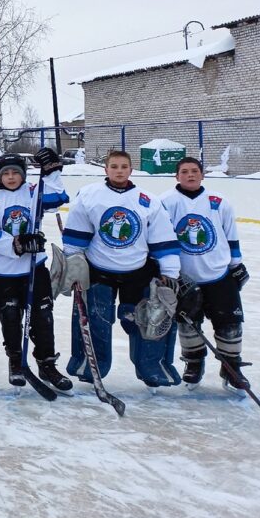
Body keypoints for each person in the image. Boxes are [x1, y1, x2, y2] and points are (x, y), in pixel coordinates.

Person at [61, 149, 183, 388]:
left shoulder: (147, 199)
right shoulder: (89, 195)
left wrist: (170, 272)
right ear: (106, 169)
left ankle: (152, 366)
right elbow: (76, 238)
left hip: (138, 273)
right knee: (96, 321)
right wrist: (74, 262)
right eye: (114, 166)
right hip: (99, 271)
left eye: (124, 166)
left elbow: (162, 238)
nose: (119, 171)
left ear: (131, 169)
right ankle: (89, 363)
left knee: (149, 321)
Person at [0, 149, 73, 393]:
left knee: (42, 314)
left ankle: (46, 363)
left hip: (34, 267)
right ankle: (16, 361)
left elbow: (59, 198)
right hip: (2, 271)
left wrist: (51, 172)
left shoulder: (34, 191)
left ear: (23, 175)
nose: (10, 177)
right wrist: (17, 245)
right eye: (5, 173)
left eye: (15, 173)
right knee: (10, 316)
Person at [159, 156, 250, 391]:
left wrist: (236, 265)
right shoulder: (165, 202)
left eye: (195, 171)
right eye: (185, 171)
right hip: (184, 278)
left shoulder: (219, 202)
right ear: (176, 176)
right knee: (189, 324)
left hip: (219, 275)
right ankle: (193, 364)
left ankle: (231, 367)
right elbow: (159, 238)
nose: (190, 175)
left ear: (202, 174)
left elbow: (230, 234)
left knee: (230, 324)